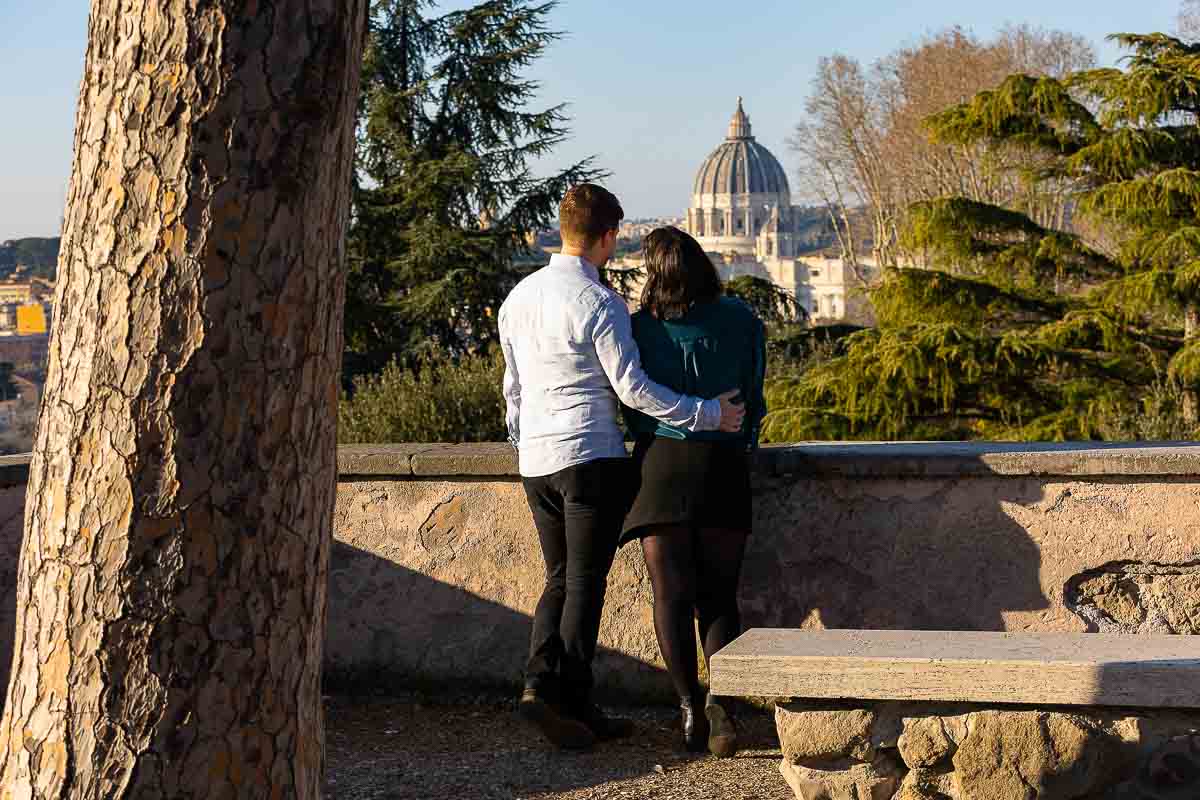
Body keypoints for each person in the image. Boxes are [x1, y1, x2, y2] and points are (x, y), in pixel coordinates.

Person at [498, 186, 746, 750]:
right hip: (589, 456)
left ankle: (540, 685)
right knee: (585, 584)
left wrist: (524, 440)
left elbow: (512, 388)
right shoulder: (600, 302)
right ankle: (575, 703)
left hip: (536, 458)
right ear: (607, 236)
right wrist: (706, 413)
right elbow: (633, 391)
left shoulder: (518, 298)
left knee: (558, 578)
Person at [620, 227, 767, 758]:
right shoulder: (743, 321)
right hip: (722, 463)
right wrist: (740, 437)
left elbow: (631, 401)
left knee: (671, 597)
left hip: (660, 466)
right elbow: (755, 395)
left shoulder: (638, 328)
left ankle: (687, 706)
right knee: (720, 596)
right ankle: (722, 711)